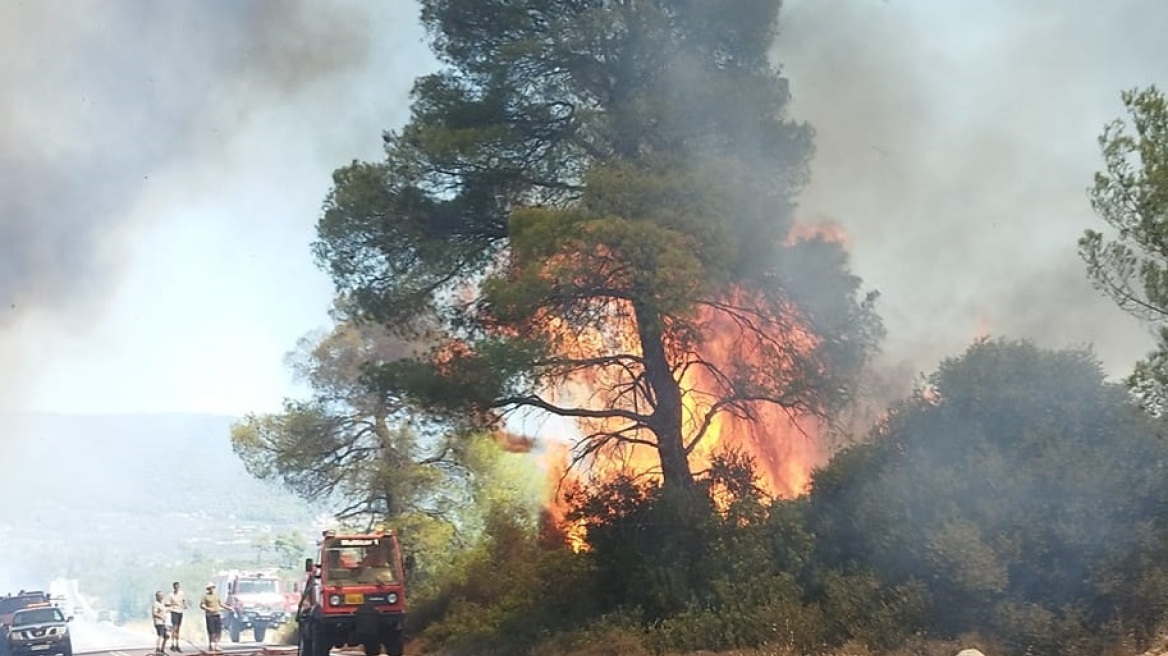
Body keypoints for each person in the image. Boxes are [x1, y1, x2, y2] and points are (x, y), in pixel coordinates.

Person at [199, 583, 231, 652]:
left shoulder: (216, 596)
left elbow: (221, 604)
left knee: (218, 631)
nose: (212, 589)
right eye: (210, 588)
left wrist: (228, 608)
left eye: (213, 587)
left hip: (217, 614)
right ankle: (211, 644)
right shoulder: (205, 596)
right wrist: (208, 609)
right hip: (209, 615)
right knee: (211, 631)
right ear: (208, 589)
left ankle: (217, 645)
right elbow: (202, 605)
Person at [164, 581, 188, 652]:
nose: (176, 588)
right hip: (174, 611)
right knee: (175, 627)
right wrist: (172, 605)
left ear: (179, 587)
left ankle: (177, 644)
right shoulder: (171, 595)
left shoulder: (182, 593)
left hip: (180, 611)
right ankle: (173, 644)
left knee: (178, 629)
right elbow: (166, 604)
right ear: (173, 587)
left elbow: (184, 601)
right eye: (175, 587)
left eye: (177, 586)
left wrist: (184, 605)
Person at [152, 591, 170, 656]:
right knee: (160, 635)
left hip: (163, 623)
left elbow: (164, 610)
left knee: (166, 636)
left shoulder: (161, 604)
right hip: (158, 622)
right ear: (157, 596)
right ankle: (158, 649)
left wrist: (172, 609)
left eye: (162, 595)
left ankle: (162, 649)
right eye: (160, 596)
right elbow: (154, 613)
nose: (162, 597)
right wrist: (161, 617)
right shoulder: (156, 604)